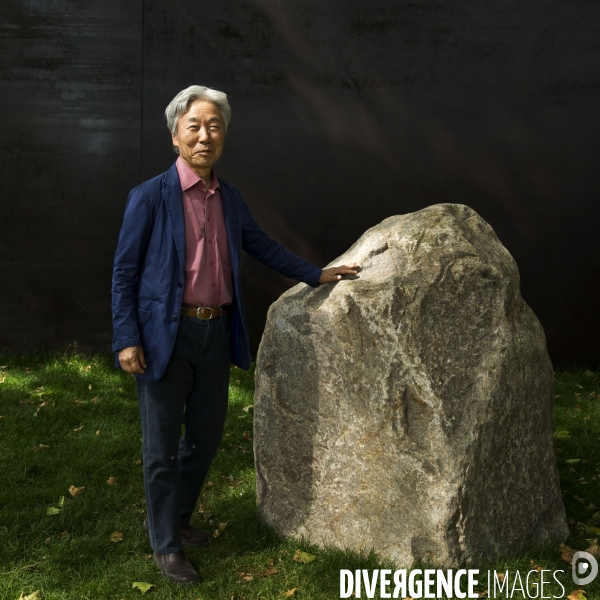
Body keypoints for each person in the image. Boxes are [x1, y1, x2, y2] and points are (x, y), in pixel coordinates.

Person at [111, 85, 359, 586]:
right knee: (161, 446)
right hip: (166, 336)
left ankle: (176, 519)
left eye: (214, 126)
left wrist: (316, 273)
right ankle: (166, 545)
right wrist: (126, 337)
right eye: (194, 126)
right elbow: (124, 273)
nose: (205, 136)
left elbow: (263, 247)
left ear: (223, 135)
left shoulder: (230, 200)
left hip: (217, 333)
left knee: (203, 439)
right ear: (175, 135)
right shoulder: (150, 197)